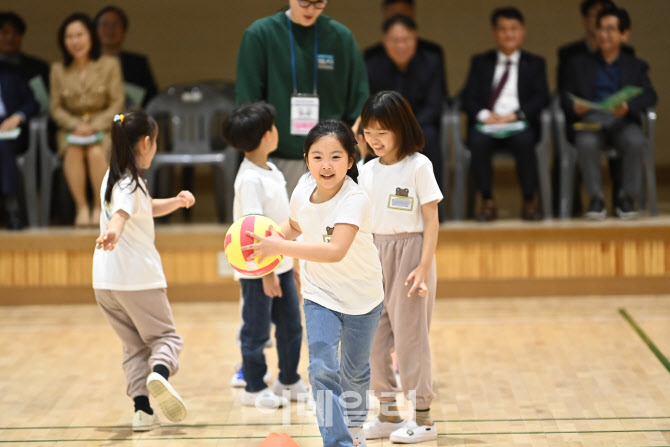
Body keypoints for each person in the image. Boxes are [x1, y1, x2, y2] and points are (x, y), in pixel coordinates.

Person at [241, 120, 384, 447]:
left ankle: (356, 430)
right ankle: (338, 442)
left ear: (351, 160)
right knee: (321, 368)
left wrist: (279, 249)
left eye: (336, 156)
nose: (326, 164)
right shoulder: (303, 188)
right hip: (320, 295)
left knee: (355, 373)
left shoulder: (355, 199)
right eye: (317, 156)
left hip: (363, 298)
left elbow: (335, 251)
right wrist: (262, 240)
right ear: (306, 160)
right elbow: (293, 225)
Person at [93, 110, 194, 431]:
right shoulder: (130, 183)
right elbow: (122, 214)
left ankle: (141, 410)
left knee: (133, 346)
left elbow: (142, 207)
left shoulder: (112, 178)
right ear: (147, 142)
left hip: (105, 283)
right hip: (137, 279)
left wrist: (176, 201)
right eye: (156, 142)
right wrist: (113, 231)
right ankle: (159, 374)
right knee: (166, 338)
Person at [357, 91, 441, 444]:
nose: (374, 139)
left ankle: (422, 419)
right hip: (373, 255)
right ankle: (389, 414)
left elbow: (432, 219)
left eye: (383, 132)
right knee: (372, 340)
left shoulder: (419, 165)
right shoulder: (364, 170)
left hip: (410, 255)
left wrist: (423, 266)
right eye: (369, 132)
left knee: (411, 341)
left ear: (401, 129)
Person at [221, 102, 308, 409]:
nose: (276, 131)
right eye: (271, 127)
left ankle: (288, 379)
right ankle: (255, 386)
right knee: (256, 330)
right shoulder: (249, 180)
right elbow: (252, 232)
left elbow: (279, 222)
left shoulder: (271, 170)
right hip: (259, 271)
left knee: (291, 326)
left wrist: (290, 262)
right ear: (262, 136)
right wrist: (267, 273)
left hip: (280, 264)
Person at [235, 0, 369, 196]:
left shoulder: (341, 37)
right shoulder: (260, 35)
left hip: (331, 162)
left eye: (319, 3)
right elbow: (249, 103)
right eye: (305, 2)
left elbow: (359, 100)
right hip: (276, 158)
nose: (311, 9)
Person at [560, 7, 657, 219]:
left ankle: (625, 197)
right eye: (600, 29)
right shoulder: (579, 63)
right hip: (591, 120)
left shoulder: (635, 65)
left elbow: (650, 95)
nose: (604, 35)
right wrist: (575, 107)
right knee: (585, 142)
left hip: (622, 120)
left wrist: (628, 107)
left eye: (610, 30)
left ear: (624, 34)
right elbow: (564, 96)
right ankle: (596, 199)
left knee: (636, 141)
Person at [460, 7, 549, 221]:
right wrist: (483, 115)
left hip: (518, 124)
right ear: (494, 33)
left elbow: (542, 97)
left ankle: (529, 201)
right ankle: (487, 202)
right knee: (477, 141)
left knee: (525, 141)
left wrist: (516, 115)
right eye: (503, 29)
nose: (509, 34)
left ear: (522, 31)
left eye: (513, 29)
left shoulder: (535, 63)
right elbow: (466, 97)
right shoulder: (481, 62)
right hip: (488, 125)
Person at [50, 13, 124, 227]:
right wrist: (76, 126)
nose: (75, 41)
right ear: (63, 42)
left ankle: (99, 208)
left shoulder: (109, 64)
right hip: (71, 129)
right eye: (70, 37)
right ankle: (81, 206)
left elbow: (117, 102)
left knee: (94, 152)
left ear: (91, 36)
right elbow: (55, 108)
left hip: (103, 127)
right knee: (73, 151)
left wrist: (93, 126)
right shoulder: (58, 69)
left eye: (80, 35)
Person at [555, 0, 627, 216]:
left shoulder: (626, 52)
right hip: (583, 119)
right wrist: (573, 106)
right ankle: (574, 203)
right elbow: (563, 91)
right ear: (586, 20)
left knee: (629, 137)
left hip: (616, 118)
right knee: (576, 139)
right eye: (595, 17)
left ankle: (622, 200)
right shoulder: (570, 53)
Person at [364, 15, 445, 195]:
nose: (401, 46)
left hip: (419, 124)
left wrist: (405, 128)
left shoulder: (431, 61)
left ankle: (432, 204)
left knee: (430, 135)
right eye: (395, 40)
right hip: (382, 126)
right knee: (369, 137)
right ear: (385, 41)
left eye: (406, 40)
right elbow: (369, 104)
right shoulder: (372, 64)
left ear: (415, 39)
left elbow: (434, 105)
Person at [95, 5, 158, 108]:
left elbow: (152, 99)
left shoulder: (138, 63)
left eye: (115, 24)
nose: (110, 29)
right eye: (104, 24)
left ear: (124, 32)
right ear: (95, 30)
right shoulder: (86, 61)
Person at [0, 65, 38, 229]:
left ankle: (11, 207)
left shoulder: (10, 76)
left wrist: (18, 116)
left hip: (9, 129)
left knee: (3, 144)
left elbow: (33, 103)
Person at [0, 12, 50, 108]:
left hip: (31, 120)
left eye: (16, 33)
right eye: (5, 32)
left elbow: (43, 103)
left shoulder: (38, 67)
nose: (10, 37)